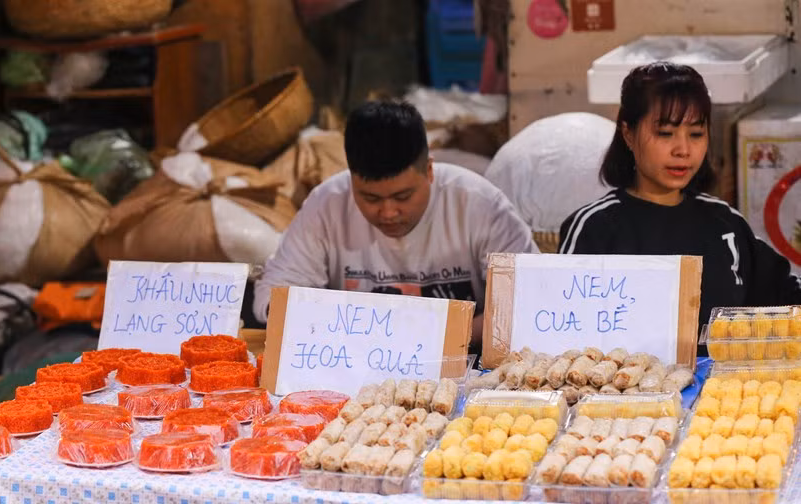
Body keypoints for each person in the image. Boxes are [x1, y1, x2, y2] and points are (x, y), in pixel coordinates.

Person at [253, 100, 539, 344]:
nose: (388, 212)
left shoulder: (480, 203)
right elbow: (271, 300)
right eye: (370, 198)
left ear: (429, 171)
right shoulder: (326, 204)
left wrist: (428, 337)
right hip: (353, 359)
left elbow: (527, 301)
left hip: (465, 357)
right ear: (350, 177)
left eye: (403, 196)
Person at [558, 62, 801, 345]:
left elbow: (786, 299)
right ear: (628, 134)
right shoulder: (594, 228)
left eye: (696, 134)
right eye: (665, 133)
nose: (683, 150)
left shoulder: (727, 224)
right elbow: (565, 336)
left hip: (720, 388)